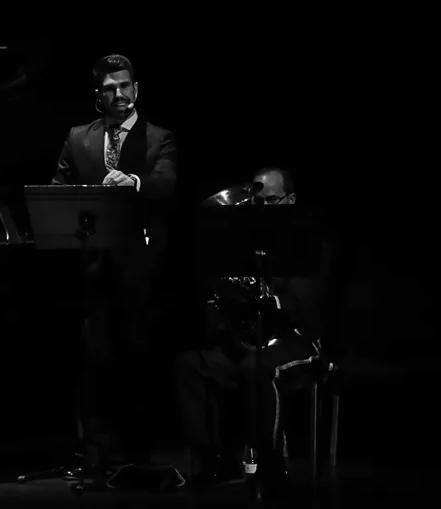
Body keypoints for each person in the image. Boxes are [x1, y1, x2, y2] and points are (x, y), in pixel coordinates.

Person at [51, 54, 177, 480]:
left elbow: (166, 182)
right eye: (109, 88)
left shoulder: (159, 137)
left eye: (124, 86)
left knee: (137, 359)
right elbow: (58, 189)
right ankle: (96, 454)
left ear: (136, 89)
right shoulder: (78, 137)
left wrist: (134, 181)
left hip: (141, 268)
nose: (118, 94)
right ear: (98, 95)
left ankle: (137, 453)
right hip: (94, 266)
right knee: (95, 361)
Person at [175, 166, 331, 492]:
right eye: (258, 203)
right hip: (253, 340)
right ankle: (215, 460)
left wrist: (263, 298)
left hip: (298, 340)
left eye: (272, 201)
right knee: (191, 364)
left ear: (291, 200)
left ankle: (272, 464)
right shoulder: (244, 245)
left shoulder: (309, 244)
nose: (263, 209)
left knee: (257, 368)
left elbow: (300, 305)